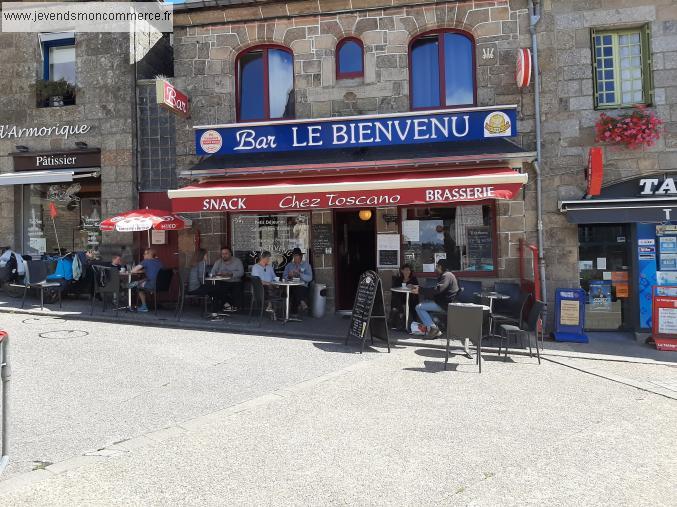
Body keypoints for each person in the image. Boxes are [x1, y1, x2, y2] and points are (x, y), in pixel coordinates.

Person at [413, 259, 459, 338]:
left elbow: (438, 289)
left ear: (441, 266)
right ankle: (435, 329)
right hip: (444, 302)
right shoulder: (448, 275)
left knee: (419, 307)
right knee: (425, 302)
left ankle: (433, 328)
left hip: (445, 305)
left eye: (437, 266)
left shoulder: (446, 275)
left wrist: (420, 290)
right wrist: (421, 288)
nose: (436, 268)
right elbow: (437, 289)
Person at [209, 246, 245, 311]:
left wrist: (231, 274)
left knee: (237, 289)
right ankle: (225, 304)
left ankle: (235, 306)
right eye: (222, 254)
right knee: (216, 289)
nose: (224, 255)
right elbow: (212, 272)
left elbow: (241, 272)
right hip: (223, 281)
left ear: (230, 253)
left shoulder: (237, 261)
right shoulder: (218, 262)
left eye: (226, 253)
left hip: (235, 281)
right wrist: (219, 274)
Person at [131, 248, 163, 313]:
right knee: (143, 281)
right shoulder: (159, 262)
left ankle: (144, 307)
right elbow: (153, 271)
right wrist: (143, 270)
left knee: (138, 286)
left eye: (145, 254)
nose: (143, 255)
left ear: (149, 254)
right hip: (161, 285)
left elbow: (133, 270)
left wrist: (140, 270)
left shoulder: (146, 261)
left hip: (152, 285)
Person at [282, 248, 313, 315]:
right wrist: (289, 276)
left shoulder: (306, 265)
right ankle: (302, 303)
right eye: (294, 256)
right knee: (294, 289)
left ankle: (294, 312)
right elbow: (284, 277)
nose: (295, 258)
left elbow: (310, 278)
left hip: (303, 286)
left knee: (297, 290)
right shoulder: (289, 265)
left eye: (297, 256)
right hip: (290, 286)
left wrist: (300, 274)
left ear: (301, 256)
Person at [390, 264, 419, 330]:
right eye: (405, 270)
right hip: (401, 297)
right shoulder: (398, 279)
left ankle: (406, 320)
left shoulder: (413, 279)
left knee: (409, 302)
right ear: (402, 271)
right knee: (396, 298)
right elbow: (394, 288)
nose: (407, 272)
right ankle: (401, 313)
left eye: (409, 270)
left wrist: (412, 286)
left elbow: (417, 288)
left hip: (411, 297)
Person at [251, 251, 277, 315]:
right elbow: (258, 282)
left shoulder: (269, 267)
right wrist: (269, 283)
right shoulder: (255, 267)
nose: (269, 260)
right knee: (268, 288)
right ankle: (270, 306)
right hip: (259, 289)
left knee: (278, 289)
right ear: (262, 258)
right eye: (267, 258)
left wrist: (277, 282)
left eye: (269, 258)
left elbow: (274, 277)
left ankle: (271, 307)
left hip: (270, 287)